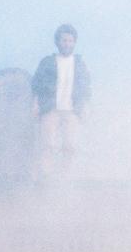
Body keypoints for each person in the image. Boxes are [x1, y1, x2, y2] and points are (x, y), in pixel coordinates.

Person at [30, 24, 91, 178]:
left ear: (74, 43)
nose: (67, 44)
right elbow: (36, 84)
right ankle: (46, 176)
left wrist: (84, 107)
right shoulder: (47, 62)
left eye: (71, 41)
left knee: (70, 146)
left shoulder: (79, 63)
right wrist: (36, 104)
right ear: (57, 42)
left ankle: (65, 176)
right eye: (64, 40)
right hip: (50, 109)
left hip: (72, 110)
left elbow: (85, 86)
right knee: (47, 145)